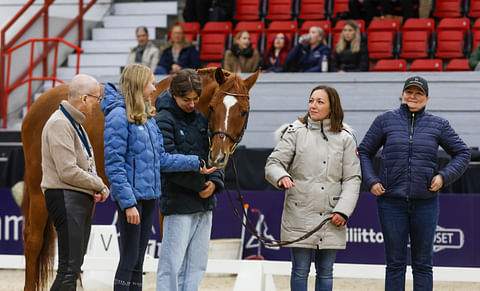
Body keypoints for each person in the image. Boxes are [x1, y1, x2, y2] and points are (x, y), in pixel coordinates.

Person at [102, 64, 215, 290]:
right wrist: (128, 203)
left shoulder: (147, 117)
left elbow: (162, 159)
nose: (155, 88)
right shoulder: (117, 116)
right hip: (132, 200)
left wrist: (195, 163)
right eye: (151, 83)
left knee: (138, 260)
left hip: (149, 197)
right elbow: (114, 166)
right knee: (129, 258)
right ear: (138, 85)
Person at [358, 76, 471, 291]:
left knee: (423, 265)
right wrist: (371, 180)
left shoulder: (439, 124)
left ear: (427, 98)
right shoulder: (384, 120)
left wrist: (443, 176)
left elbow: (462, 153)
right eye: (409, 91)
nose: (413, 96)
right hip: (391, 203)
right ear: (402, 94)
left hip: (425, 204)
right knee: (395, 264)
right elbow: (364, 151)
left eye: (418, 93)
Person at [265, 85, 362, 291]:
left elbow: (353, 178)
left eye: (320, 102)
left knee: (326, 271)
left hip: (331, 216)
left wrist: (343, 210)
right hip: (300, 212)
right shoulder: (295, 132)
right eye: (311, 101)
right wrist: (281, 175)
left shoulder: (345, 138)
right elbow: (273, 163)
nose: (313, 105)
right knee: (299, 269)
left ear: (332, 106)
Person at [155, 69, 224, 291]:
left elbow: (215, 155)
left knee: (197, 266)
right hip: (177, 203)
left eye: (195, 99)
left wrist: (215, 182)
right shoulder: (163, 119)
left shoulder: (203, 120)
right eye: (186, 100)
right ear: (174, 95)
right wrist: (200, 185)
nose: (192, 104)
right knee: (171, 265)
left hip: (204, 205)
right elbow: (166, 163)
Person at [41, 74, 110, 290]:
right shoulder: (60, 123)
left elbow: (85, 163)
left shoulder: (75, 123)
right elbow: (67, 171)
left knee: (74, 266)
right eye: (97, 99)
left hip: (76, 197)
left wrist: (94, 185)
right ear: (84, 98)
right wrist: (98, 184)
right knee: (69, 270)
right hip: (65, 196)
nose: (97, 105)